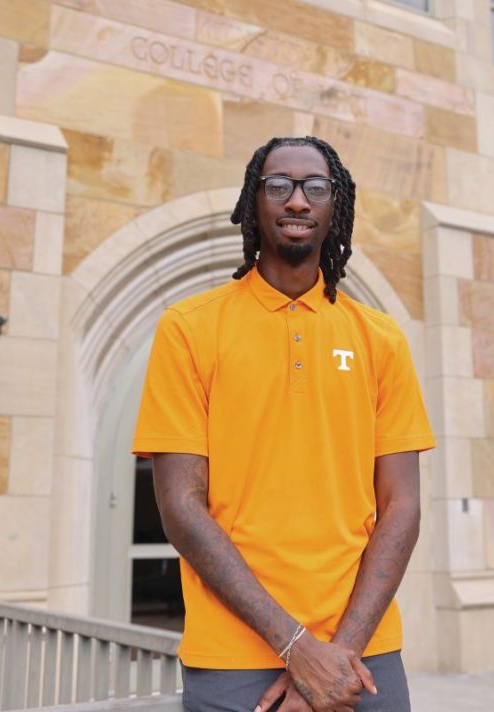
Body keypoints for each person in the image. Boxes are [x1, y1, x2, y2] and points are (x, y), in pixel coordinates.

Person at [132, 136, 435, 712]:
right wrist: (295, 646)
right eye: (279, 185)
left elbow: (403, 507)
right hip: (234, 655)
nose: (297, 200)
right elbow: (180, 506)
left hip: (362, 654)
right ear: (254, 201)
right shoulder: (189, 328)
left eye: (314, 187)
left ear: (334, 205)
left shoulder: (381, 338)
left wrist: (334, 656)